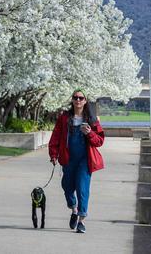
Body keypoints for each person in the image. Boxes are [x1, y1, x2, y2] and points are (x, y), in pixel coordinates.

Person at [48, 90, 105, 234]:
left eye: (81, 98)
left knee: (82, 188)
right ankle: (74, 209)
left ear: (85, 101)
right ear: (72, 100)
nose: (78, 100)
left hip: (85, 160)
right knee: (66, 186)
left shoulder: (92, 120)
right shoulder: (64, 118)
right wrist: (53, 154)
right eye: (75, 98)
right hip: (68, 158)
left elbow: (100, 141)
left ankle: (81, 220)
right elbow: (55, 136)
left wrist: (89, 133)